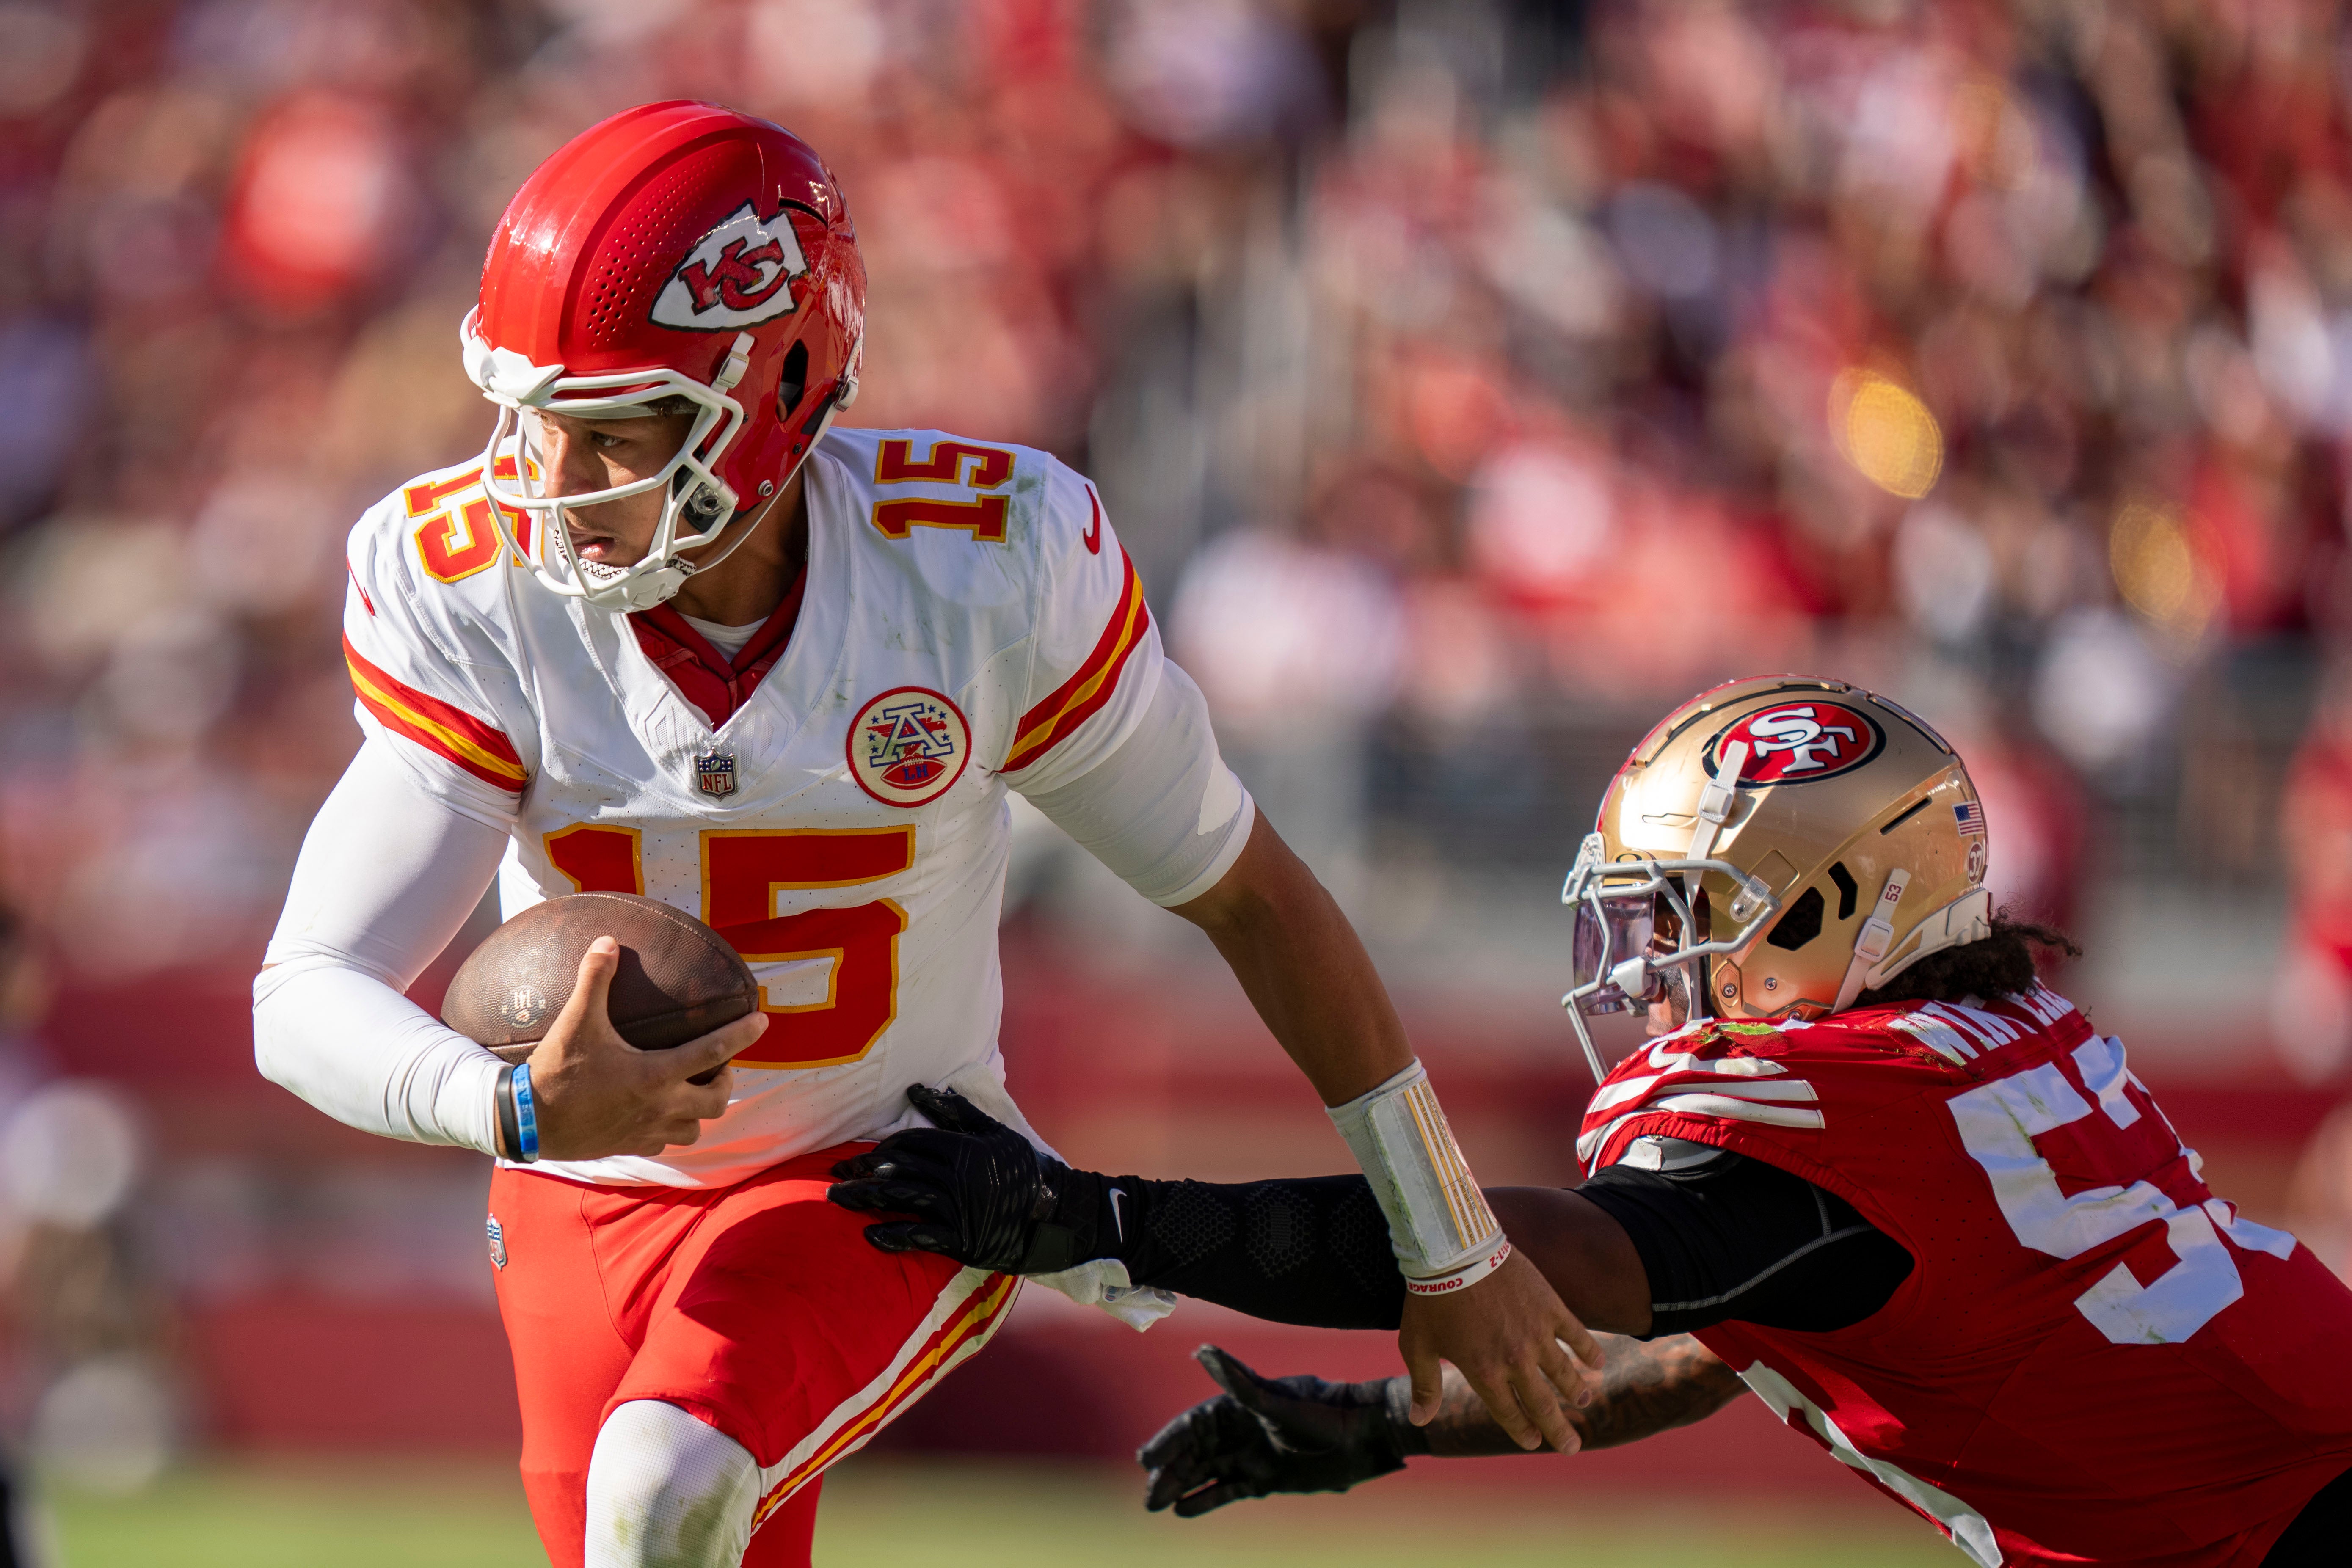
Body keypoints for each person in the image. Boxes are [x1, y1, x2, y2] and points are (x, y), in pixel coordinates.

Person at [249, 100, 1587, 1568]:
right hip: (583, 1194)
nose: (550, 487)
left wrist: (1449, 1241)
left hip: (890, 1175)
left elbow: (1249, 895)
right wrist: (507, 1110)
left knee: (660, 1478)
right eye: (531, 422)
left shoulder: (979, 577)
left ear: (785, 383)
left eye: (612, 434)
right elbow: (306, 987)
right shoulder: (476, 588)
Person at [829, 675, 2352, 1568]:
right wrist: (1380, 1426)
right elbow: (1710, 1347)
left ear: (1836, 903)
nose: (1654, 954)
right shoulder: (1993, 1038)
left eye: (1695, 909)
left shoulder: (1850, 1117)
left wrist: (1102, 1219)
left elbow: (1499, 1257)